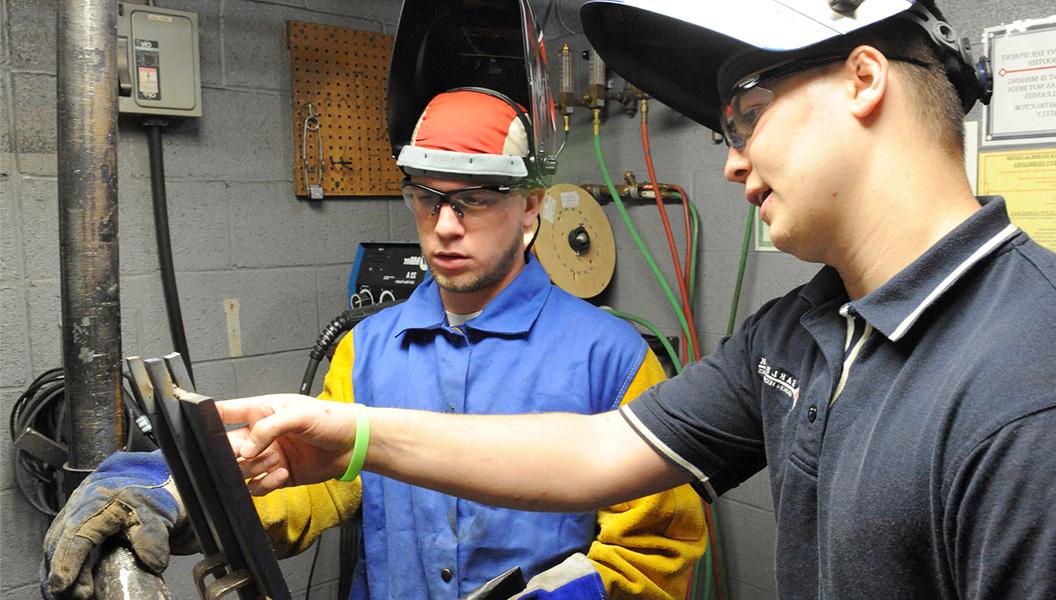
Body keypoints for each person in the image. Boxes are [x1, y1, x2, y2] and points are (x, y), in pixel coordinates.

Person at [215, 1, 1056, 598]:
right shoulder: (809, 333)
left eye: (744, 115)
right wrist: (337, 435)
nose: (729, 161)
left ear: (863, 79)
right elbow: (594, 452)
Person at [41, 88, 707, 600]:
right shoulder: (369, 349)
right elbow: (308, 487)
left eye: (474, 200)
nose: (445, 227)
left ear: (531, 209)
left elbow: (654, 547)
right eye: (426, 199)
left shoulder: (612, 359)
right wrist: (184, 492)